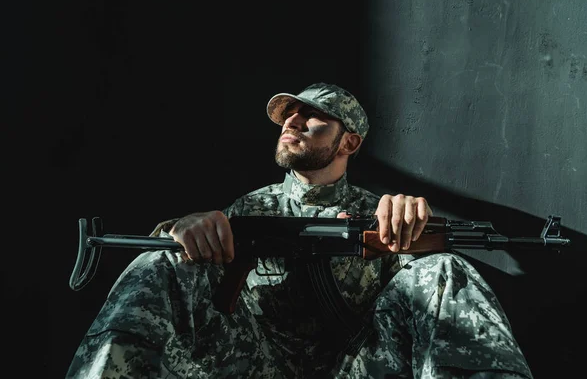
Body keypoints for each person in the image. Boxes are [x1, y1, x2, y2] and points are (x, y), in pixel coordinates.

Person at [66, 83, 533, 378]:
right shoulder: (251, 207)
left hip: (357, 368)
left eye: (313, 119)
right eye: (289, 115)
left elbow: (422, 291)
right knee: (163, 258)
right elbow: (187, 254)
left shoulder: (381, 213)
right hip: (253, 364)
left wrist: (414, 227)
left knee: (445, 269)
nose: (292, 122)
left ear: (348, 141)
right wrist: (183, 228)